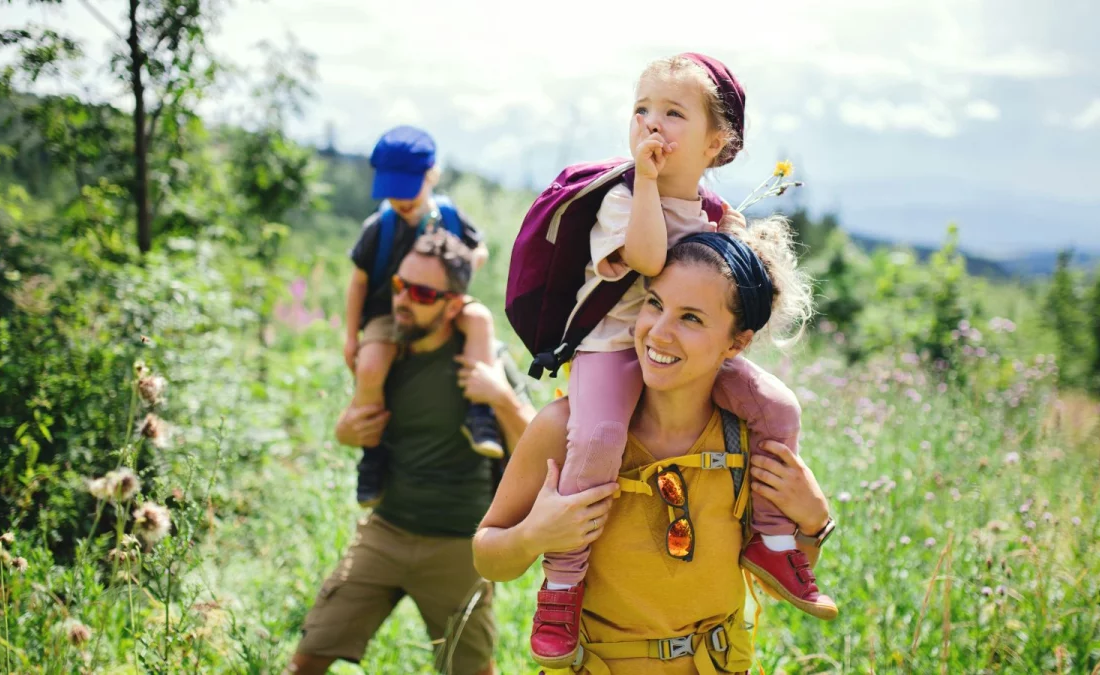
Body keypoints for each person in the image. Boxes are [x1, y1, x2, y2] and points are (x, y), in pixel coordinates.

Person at [524, 52, 835, 667]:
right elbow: (647, 259)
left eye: (672, 113)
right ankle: (562, 584)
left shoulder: (713, 212)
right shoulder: (621, 198)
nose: (651, 122)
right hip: (615, 346)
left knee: (777, 407)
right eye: (641, 109)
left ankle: (773, 539)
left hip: (678, 352)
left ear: (716, 143)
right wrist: (645, 180)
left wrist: (730, 240)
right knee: (599, 436)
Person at [474, 227, 837, 674]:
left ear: (737, 343)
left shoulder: (750, 438)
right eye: (655, 303)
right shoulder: (565, 428)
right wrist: (534, 535)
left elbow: (775, 585)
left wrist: (814, 522)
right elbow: (487, 558)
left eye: (691, 318)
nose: (659, 333)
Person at [290, 231, 537, 675]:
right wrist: (345, 431)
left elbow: (533, 451)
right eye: (400, 286)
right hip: (385, 532)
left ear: (453, 306)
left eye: (422, 294)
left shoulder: (484, 360)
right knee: (305, 661)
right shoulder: (384, 356)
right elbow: (353, 427)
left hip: (459, 546)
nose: (403, 301)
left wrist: (501, 397)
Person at [344, 125, 503, 508]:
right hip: (389, 311)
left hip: (442, 303)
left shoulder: (448, 216)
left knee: (479, 320)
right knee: (371, 366)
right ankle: (373, 452)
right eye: (392, 191)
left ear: (431, 176)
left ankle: (480, 412)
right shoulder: (379, 228)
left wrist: (458, 272)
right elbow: (359, 282)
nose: (401, 200)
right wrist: (352, 336)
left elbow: (478, 250)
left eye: (408, 189)